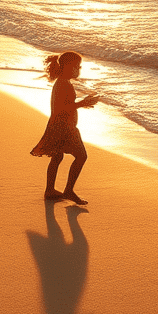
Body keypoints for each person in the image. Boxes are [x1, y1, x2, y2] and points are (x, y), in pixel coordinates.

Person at [30, 51, 99, 205]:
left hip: (57, 125)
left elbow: (63, 106)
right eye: (77, 66)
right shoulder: (63, 84)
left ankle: (50, 190)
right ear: (68, 66)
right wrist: (82, 103)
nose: (79, 69)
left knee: (57, 156)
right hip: (65, 127)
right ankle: (68, 190)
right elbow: (62, 108)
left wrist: (81, 104)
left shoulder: (63, 82)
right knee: (81, 156)